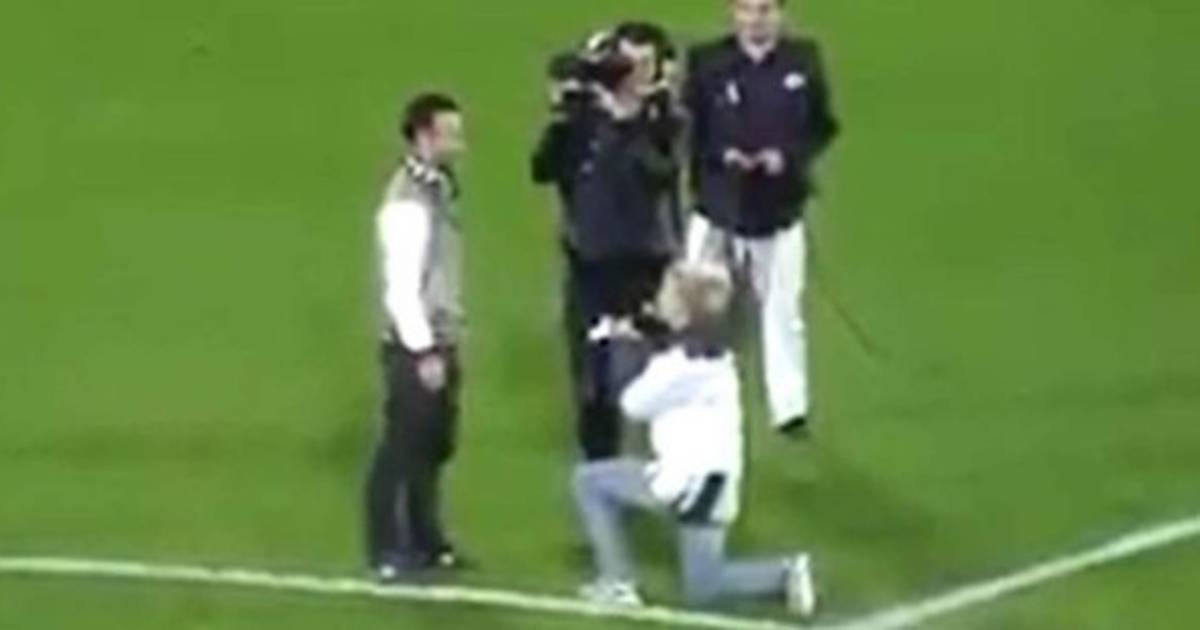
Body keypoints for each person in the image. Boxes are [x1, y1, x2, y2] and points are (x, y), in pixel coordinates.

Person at [572, 263, 817, 615]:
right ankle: (785, 573)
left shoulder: (678, 366)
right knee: (705, 586)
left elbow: (632, 404)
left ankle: (618, 582)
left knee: (590, 482)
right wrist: (648, 336)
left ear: (685, 313)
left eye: (667, 297)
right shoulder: (715, 354)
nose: (658, 301)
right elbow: (674, 349)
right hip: (717, 481)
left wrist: (622, 346)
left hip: (686, 483)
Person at [684, 0, 839, 434]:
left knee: (782, 308)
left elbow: (821, 126)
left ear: (781, 13)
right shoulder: (707, 62)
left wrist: (786, 156)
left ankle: (789, 407)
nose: (756, 18)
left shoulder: (802, 61)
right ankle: (696, 391)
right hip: (718, 207)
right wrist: (722, 156)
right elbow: (688, 128)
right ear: (733, 12)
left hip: (779, 208)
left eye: (765, 9)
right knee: (699, 306)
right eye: (747, 9)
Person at [532, 23, 684, 461]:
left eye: (642, 65)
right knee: (591, 375)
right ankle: (600, 466)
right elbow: (542, 169)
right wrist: (564, 119)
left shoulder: (664, 119)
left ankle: (666, 465)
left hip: (645, 266)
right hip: (589, 265)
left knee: (656, 372)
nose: (631, 75)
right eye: (624, 65)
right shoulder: (583, 119)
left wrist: (626, 125)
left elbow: (661, 174)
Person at [365, 93, 470, 580]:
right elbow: (401, 286)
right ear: (424, 137)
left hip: (441, 337)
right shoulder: (407, 203)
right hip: (416, 345)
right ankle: (387, 547)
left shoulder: (439, 187)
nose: (460, 143)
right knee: (402, 448)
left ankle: (428, 540)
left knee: (432, 446)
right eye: (451, 133)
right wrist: (424, 349)